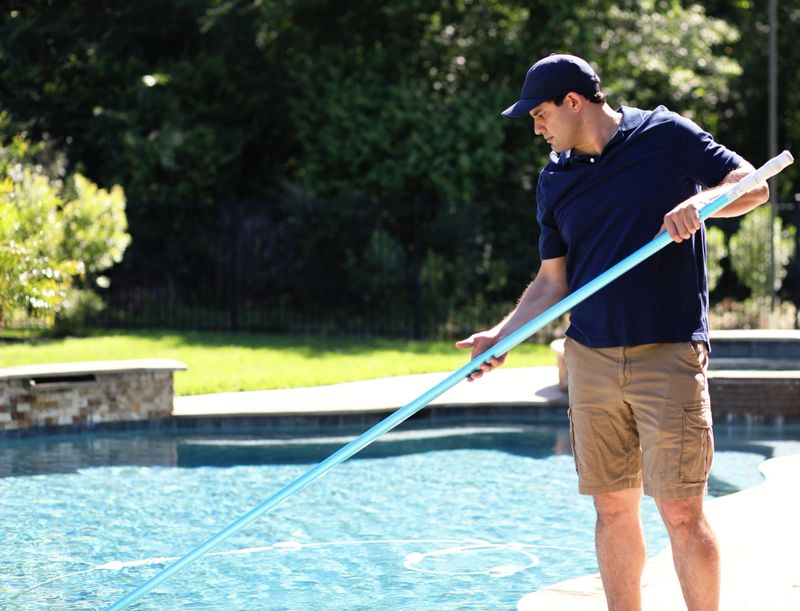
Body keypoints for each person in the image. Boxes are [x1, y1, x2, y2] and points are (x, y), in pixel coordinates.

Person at [456, 54, 768, 611]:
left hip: (668, 350)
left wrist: (703, 202)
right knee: (612, 508)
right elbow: (553, 283)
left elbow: (754, 186)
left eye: (540, 113)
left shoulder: (666, 135)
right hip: (592, 360)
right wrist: (499, 336)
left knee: (680, 511)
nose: (536, 126)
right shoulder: (556, 180)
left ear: (574, 102)